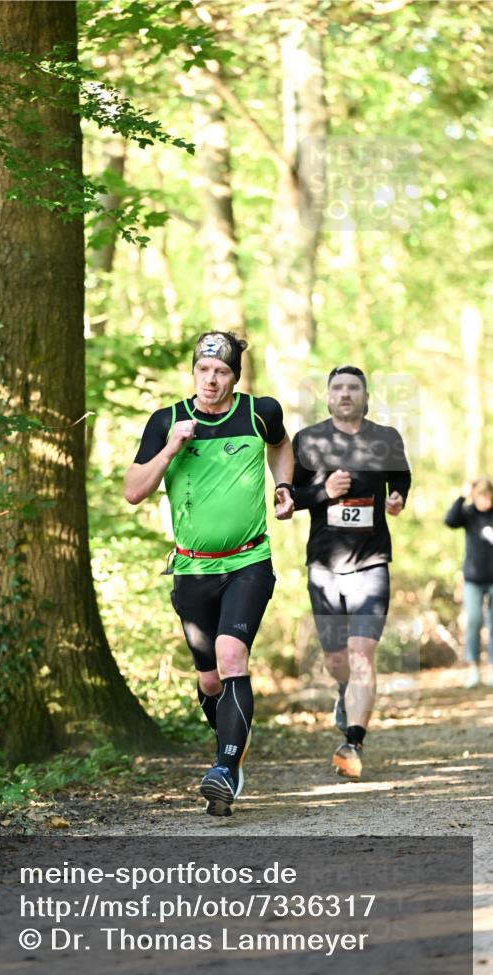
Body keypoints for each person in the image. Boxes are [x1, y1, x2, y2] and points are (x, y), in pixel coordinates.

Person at [124, 331, 294, 816]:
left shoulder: (259, 412)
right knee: (211, 682)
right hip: (192, 569)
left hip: (248, 561)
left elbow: (282, 446)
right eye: (204, 370)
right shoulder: (168, 421)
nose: (211, 379)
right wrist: (171, 449)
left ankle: (224, 769)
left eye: (221, 372)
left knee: (231, 655)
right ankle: (230, 754)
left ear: (234, 377)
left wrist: (284, 486)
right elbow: (133, 491)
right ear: (194, 372)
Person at [292, 366, 411, 779]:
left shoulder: (386, 438)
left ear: (365, 395)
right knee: (336, 657)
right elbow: (291, 496)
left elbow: (402, 478)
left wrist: (397, 498)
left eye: (353, 388)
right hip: (324, 565)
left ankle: (353, 742)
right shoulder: (309, 440)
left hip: (372, 561)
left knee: (362, 653)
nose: (345, 394)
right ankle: (345, 693)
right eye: (338, 388)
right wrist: (325, 492)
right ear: (327, 396)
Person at [445, 478, 493, 687]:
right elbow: (450, 520)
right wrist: (462, 496)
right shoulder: (469, 513)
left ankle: (492, 668)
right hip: (473, 578)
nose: (485, 501)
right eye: (481, 497)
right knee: (474, 621)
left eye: (488, 496)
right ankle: (473, 668)